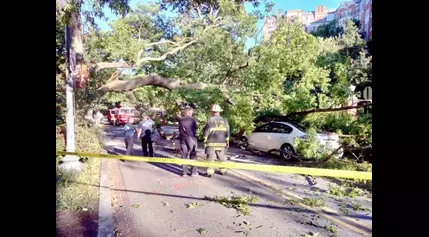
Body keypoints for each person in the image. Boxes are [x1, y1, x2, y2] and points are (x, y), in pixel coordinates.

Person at [203, 104, 230, 178]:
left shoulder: (210, 120)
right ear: (219, 112)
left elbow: (206, 132)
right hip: (222, 143)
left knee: (210, 158)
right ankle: (223, 171)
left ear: (212, 112)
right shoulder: (225, 120)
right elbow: (227, 131)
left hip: (211, 143)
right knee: (221, 157)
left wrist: (205, 140)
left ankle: (209, 173)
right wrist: (227, 141)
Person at [178, 105, 198, 177]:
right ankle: (193, 172)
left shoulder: (180, 119)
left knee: (184, 155)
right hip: (191, 138)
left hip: (183, 139)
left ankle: (184, 172)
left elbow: (180, 129)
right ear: (189, 112)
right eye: (192, 112)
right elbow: (196, 128)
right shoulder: (192, 120)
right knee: (193, 154)